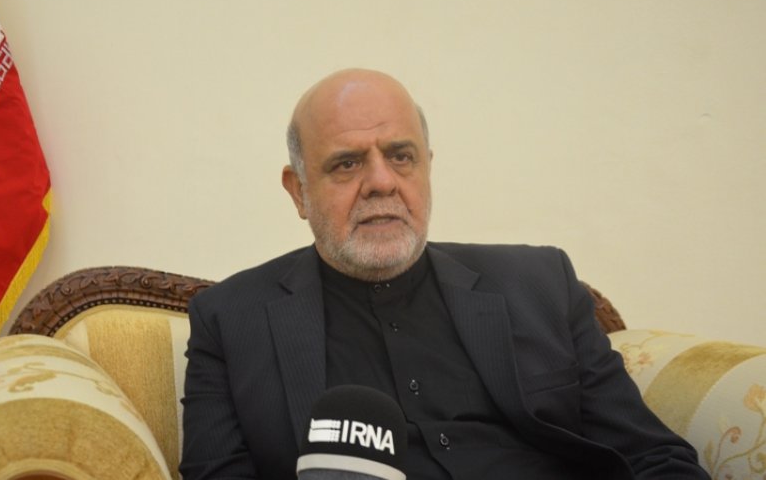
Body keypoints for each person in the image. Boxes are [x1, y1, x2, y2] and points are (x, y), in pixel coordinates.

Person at [180, 68, 709, 479]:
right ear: (298, 191)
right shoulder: (230, 321)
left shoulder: (540, 283)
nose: (381, 182)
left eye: (401, 156)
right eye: (347, 164)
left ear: (427, 167)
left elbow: (653, 457)